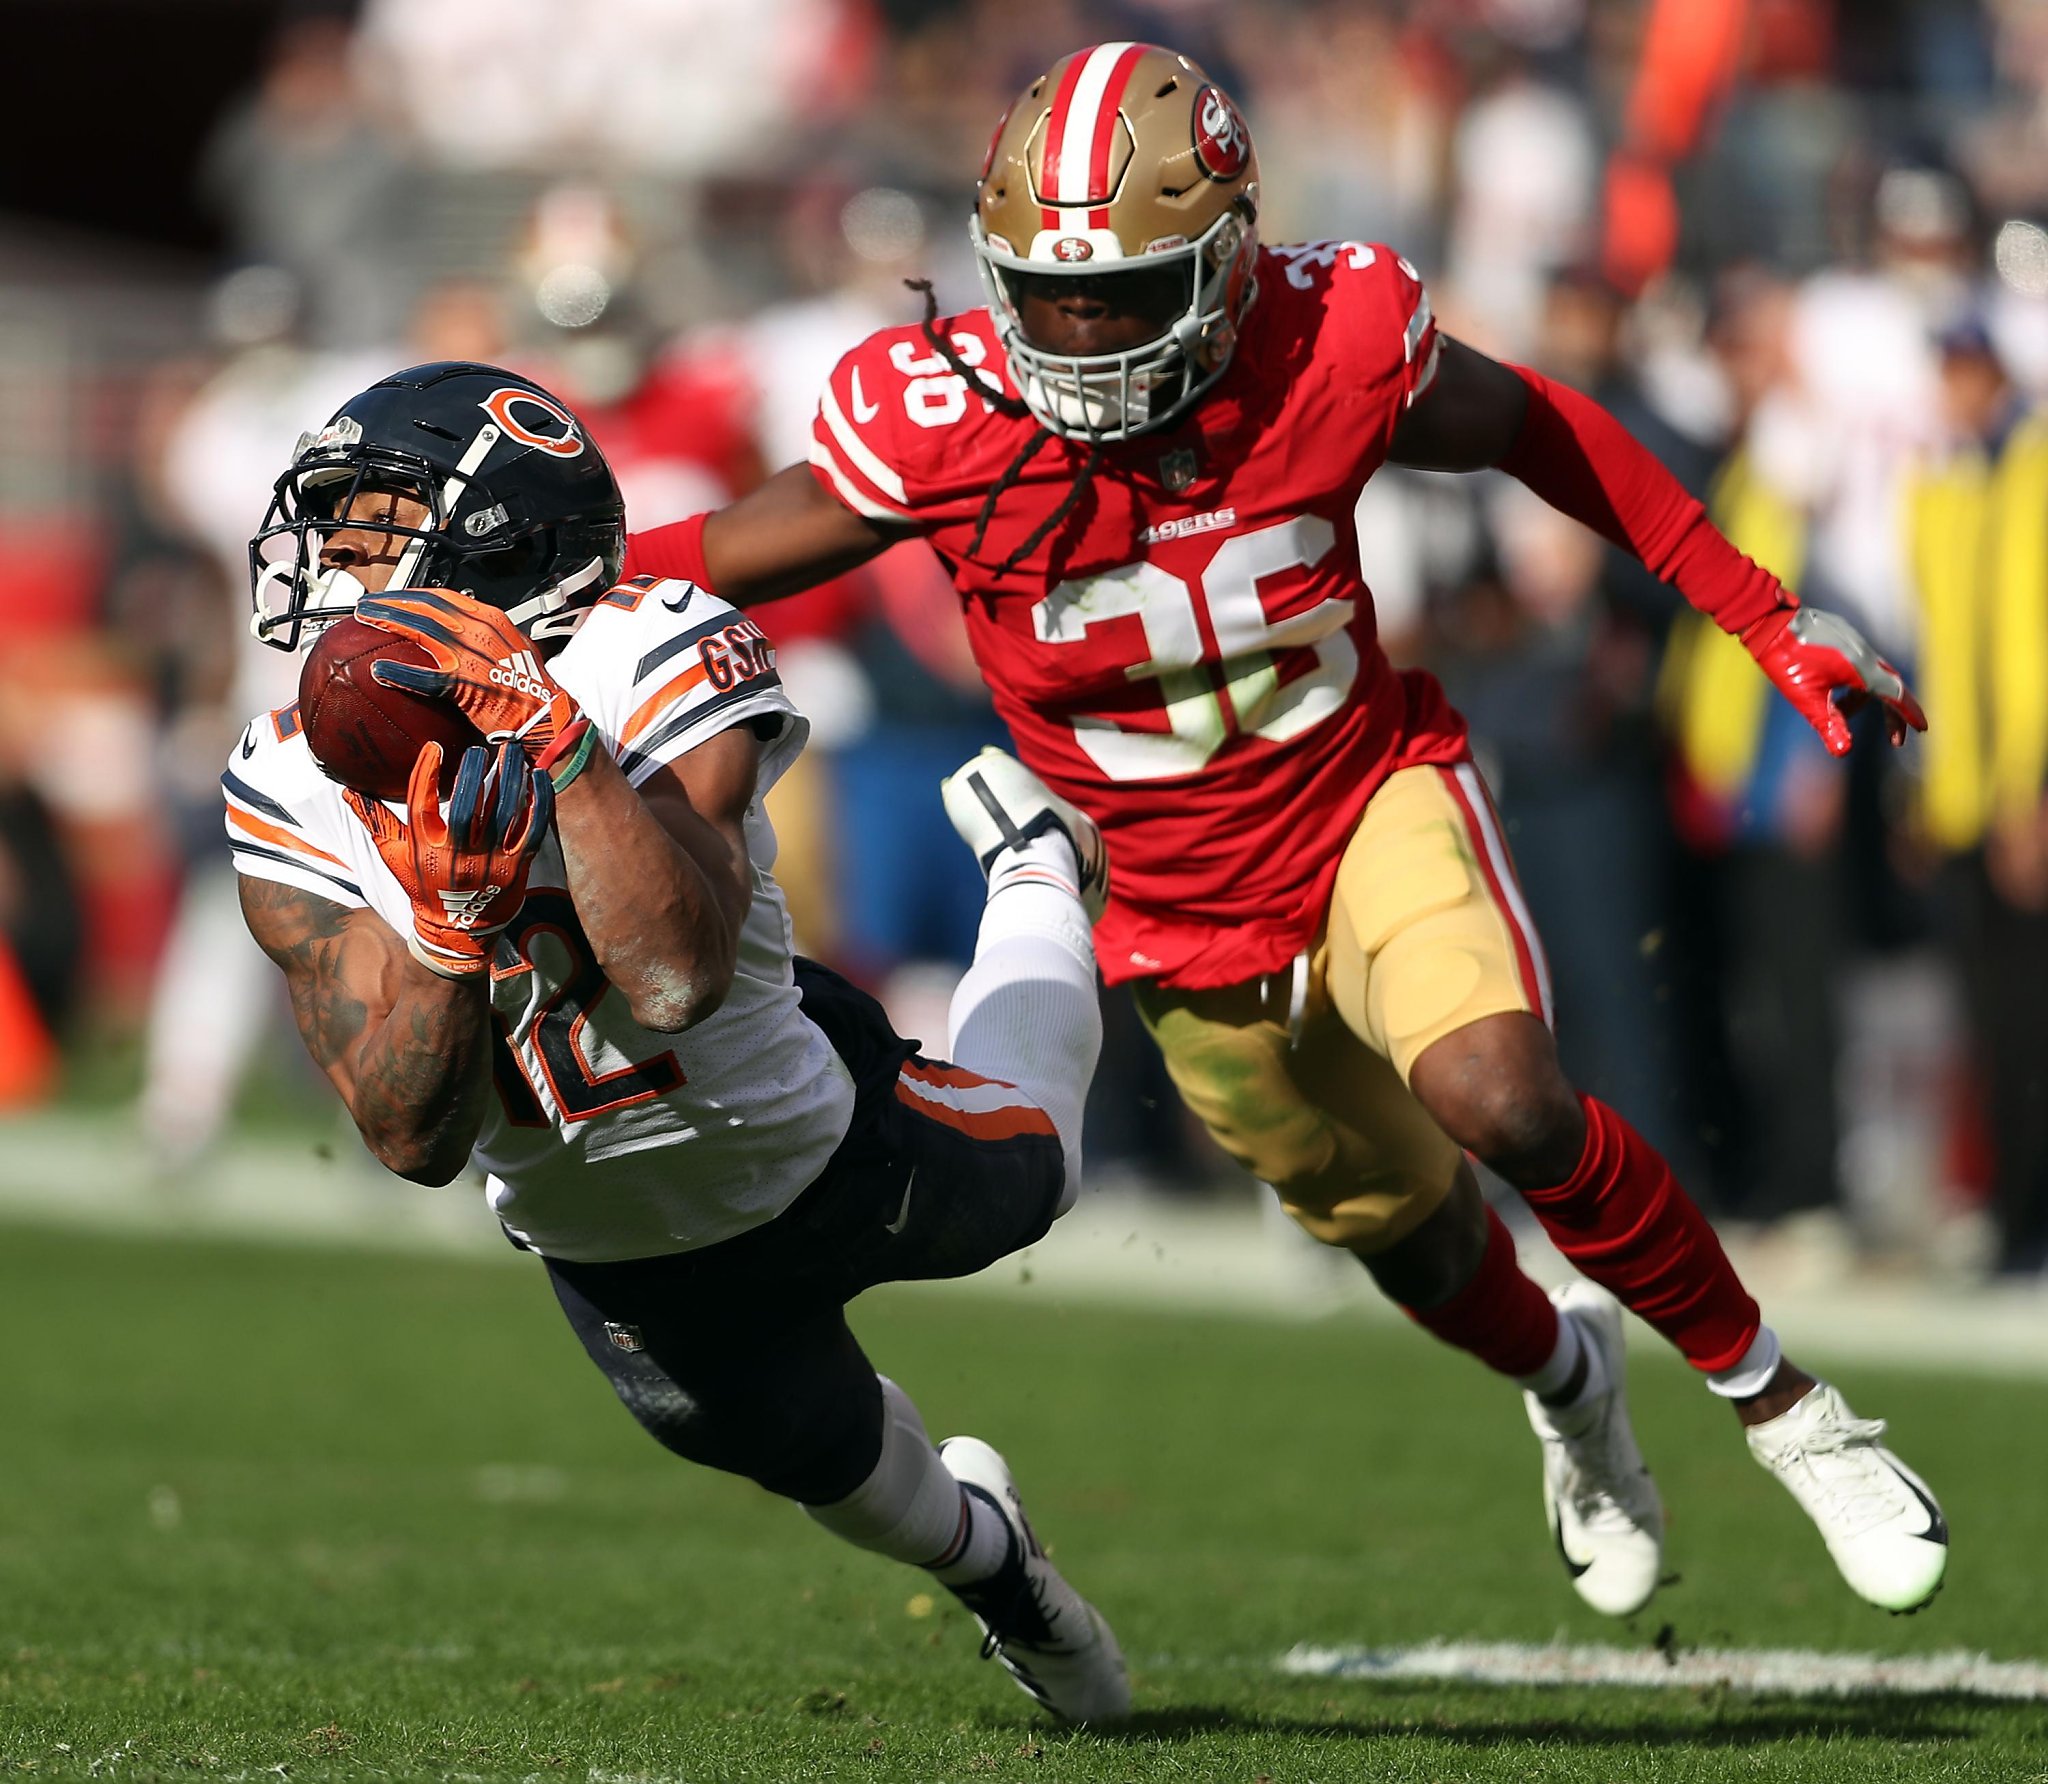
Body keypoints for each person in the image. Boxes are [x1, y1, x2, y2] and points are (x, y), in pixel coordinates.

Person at [624, 44, 1949, 1619]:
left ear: (1231, 256)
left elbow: (1545, 431)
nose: (1079, 333)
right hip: (1170, 909)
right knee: (1410, 1240)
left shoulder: (1330, 337)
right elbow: (716, 549)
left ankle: (1792, 1412)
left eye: (1121, 292)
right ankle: (1570, 1385)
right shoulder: (943, 423)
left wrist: (1763, 610)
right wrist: (500, 599)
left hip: (1360, 795)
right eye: (1047, 295)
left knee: (1502, 1096)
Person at [226, 360, 1129, 1723]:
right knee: (837, 1473)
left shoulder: (647, 646)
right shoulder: (283, 773)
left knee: (1040, 1174)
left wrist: (558, 747)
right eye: (335, 522)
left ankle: (1038, 870)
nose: (337, 557)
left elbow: (673, 976)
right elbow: (411, 1139)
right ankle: (1007, 1577)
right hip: (618, 1251)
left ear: (491, 532)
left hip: (812, 1133)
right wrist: (448, 927)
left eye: (372, 520)